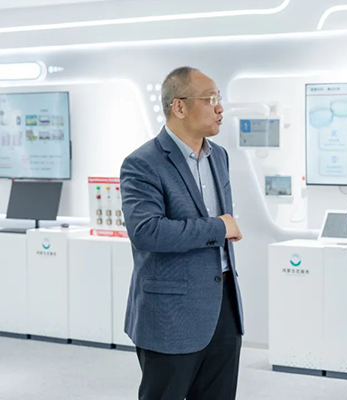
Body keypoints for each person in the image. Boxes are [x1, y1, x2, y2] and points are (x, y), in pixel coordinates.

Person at [120, 66, 244, 400]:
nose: (220, 108)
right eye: (211, 99)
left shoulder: (219, 157)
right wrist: (219, 227)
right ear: (179, 107)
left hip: (223, 308)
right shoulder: (142, 163)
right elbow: (147, 232)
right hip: (170, 316)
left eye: (219, 99)